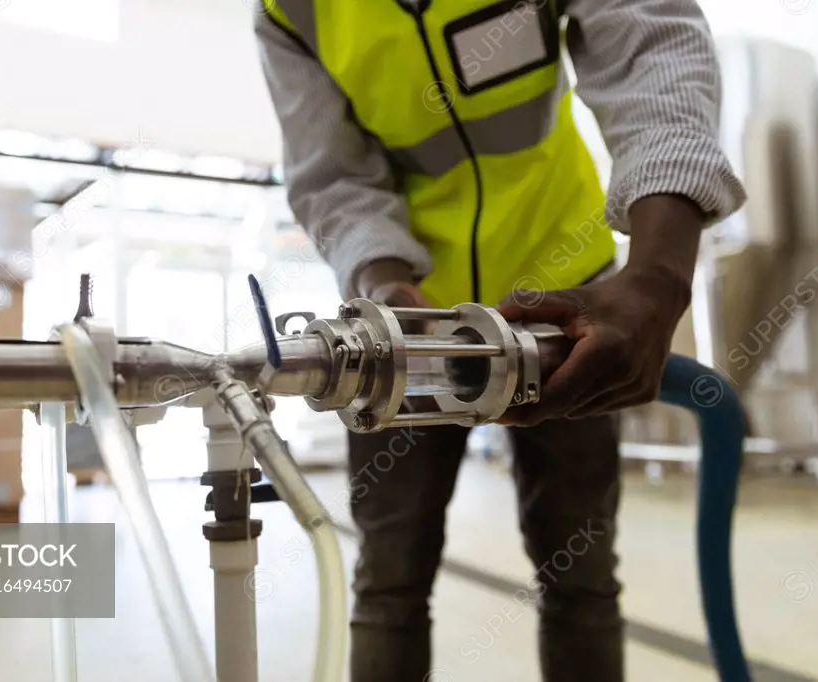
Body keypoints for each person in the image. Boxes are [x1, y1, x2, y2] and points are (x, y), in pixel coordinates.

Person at [254, 1, 746, 680]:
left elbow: (647, 41)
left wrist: (660, 273)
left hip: (568, 296)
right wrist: (387, 290)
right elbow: (332, 173)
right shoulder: (292, 11)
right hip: (410, 326)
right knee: (390, 581)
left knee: (580, 574)